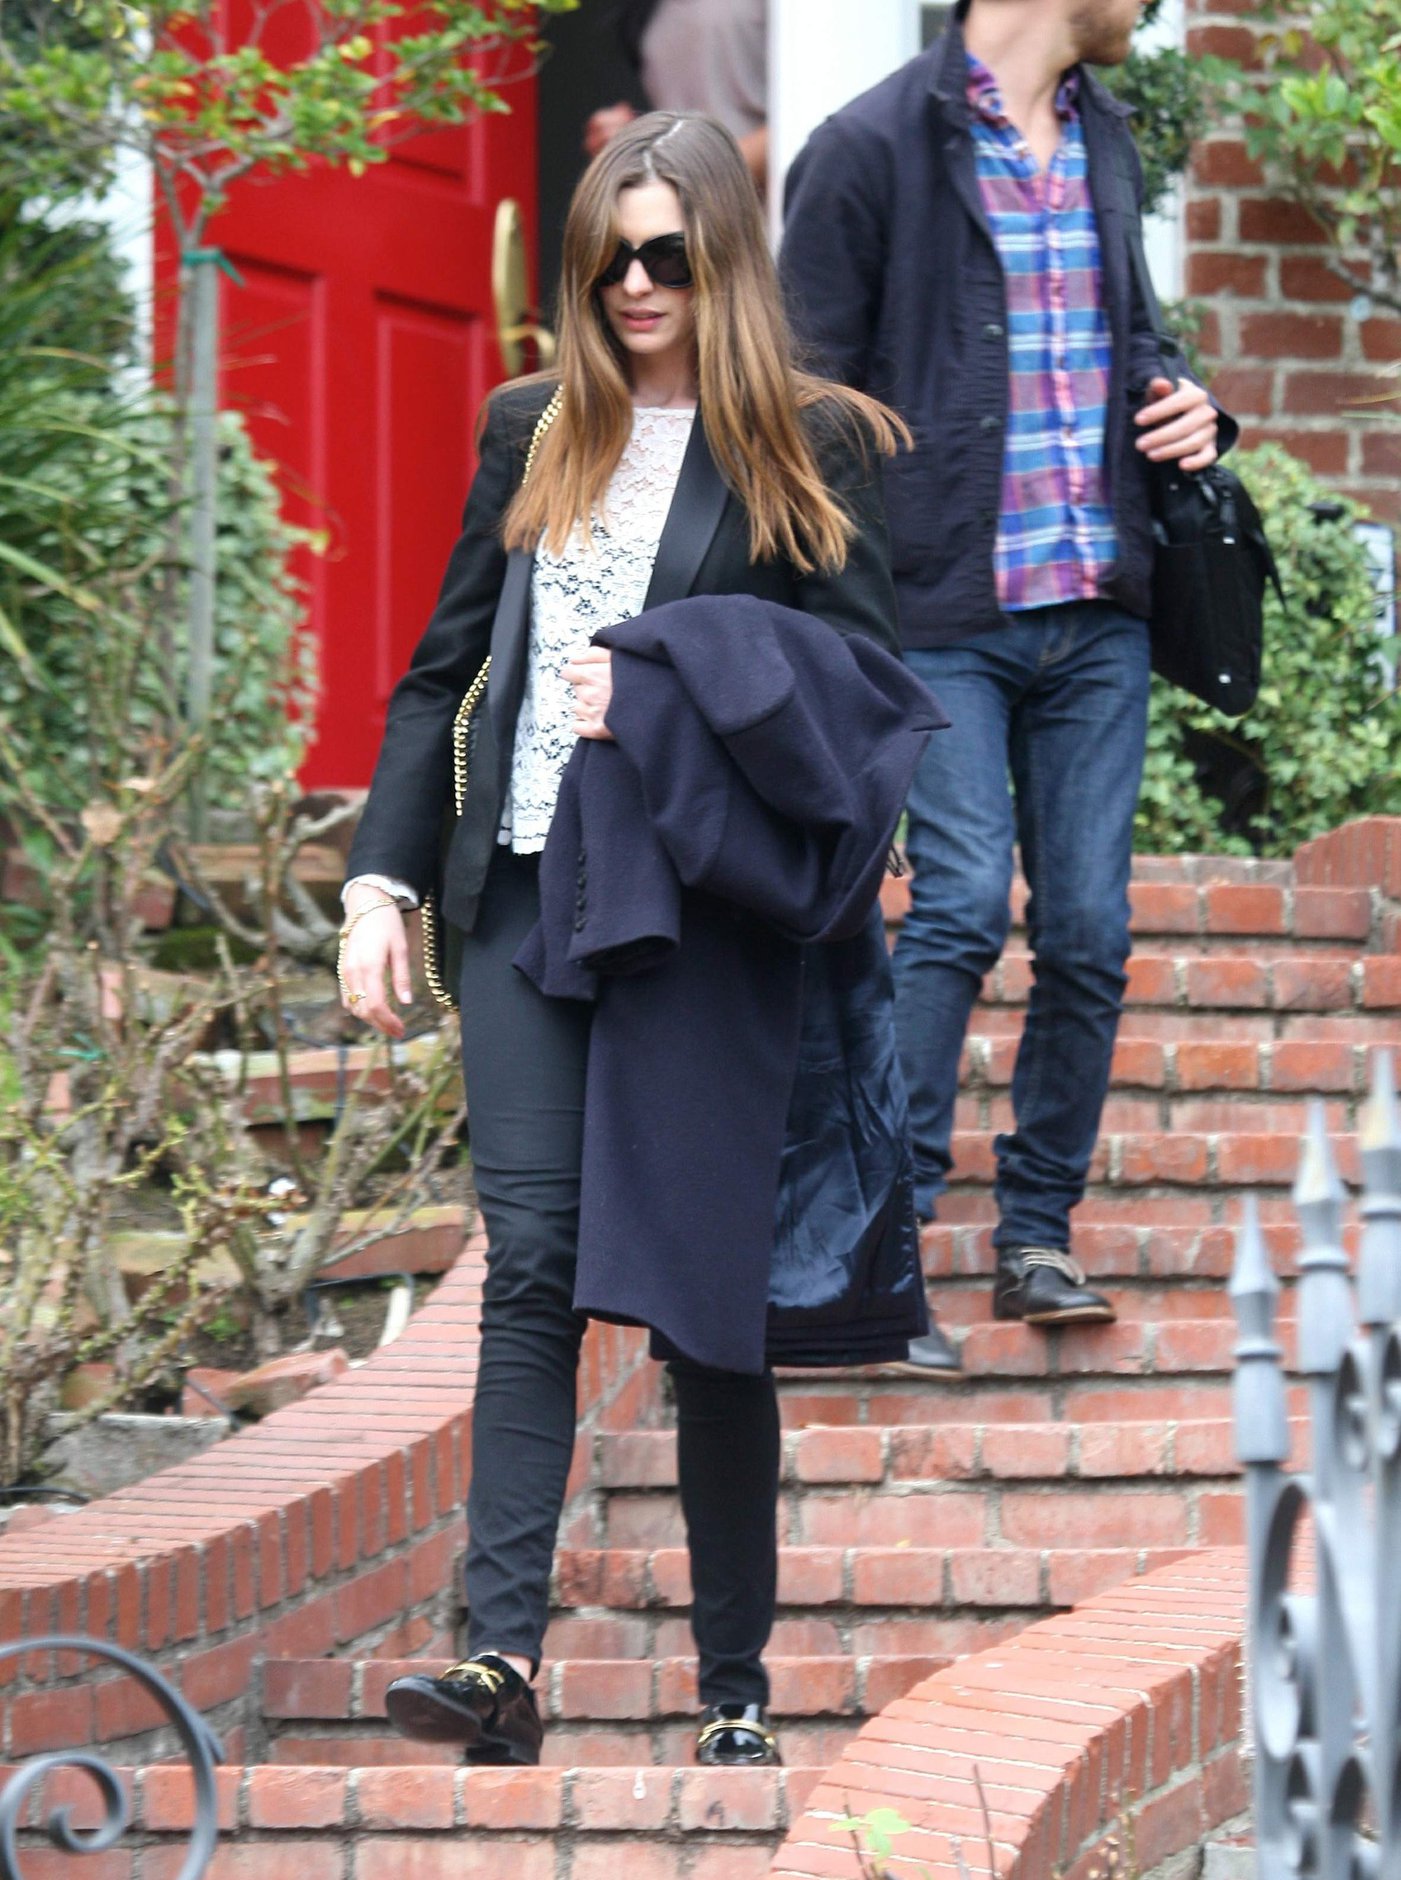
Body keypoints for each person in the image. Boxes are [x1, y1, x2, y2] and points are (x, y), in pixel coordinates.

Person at [336, 109, 940, 1771]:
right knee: (530, 1264)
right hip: (525, 896)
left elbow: (861, 697)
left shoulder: (812, 444)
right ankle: (499, 1663)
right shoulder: (530, 426)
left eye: (669, 254)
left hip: (698, 916)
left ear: (725, 256)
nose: (637, 284)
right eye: (610, 256)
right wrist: (381, 884)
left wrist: (665, 692)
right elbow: (446, 670)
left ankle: (732, 1688)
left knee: (702, 1295)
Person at [780, 0, 1238, 1365]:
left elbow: (1131, 341)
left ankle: (1037, 1232)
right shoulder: (866, 148)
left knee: (1089, 930)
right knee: (963, 902)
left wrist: (1188, 402)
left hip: (1098, 604)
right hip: (939, 611)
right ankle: (887, 1250)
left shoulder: (1105, 137)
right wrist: (837, 617)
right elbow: (801, 406)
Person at [584, 0, 768, 193]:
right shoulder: (646, 12)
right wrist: (629, 141)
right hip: (683, 199)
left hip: (761, 206)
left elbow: (788, 130)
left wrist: (679, 168)